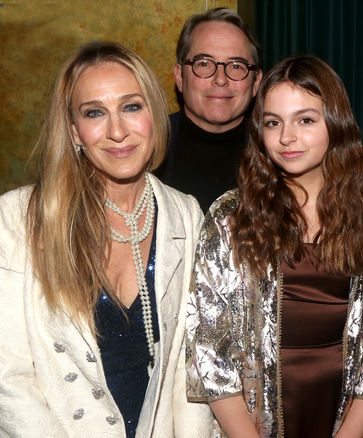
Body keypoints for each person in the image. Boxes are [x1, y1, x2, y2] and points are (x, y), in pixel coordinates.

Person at [186, 55, 363, 438]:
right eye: (273, 122)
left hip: (343, 424)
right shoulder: (230, 216)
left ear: (335, 124)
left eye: (305, 119)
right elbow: (209, 352)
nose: (287, 136)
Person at [0, 42, 213, 437]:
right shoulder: (17, 219)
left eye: (132, 107)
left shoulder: (186, 214)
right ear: (74, 131)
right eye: (94, 112)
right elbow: (7, 378)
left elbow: (191, 370)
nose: (117, 131)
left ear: (154, 113)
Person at [155, 7, 262, 212]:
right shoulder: (144, 150)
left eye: (236, 66)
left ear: (256, 82)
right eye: (204, 63)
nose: (220, 79)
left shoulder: (280, 155)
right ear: (180, 76)